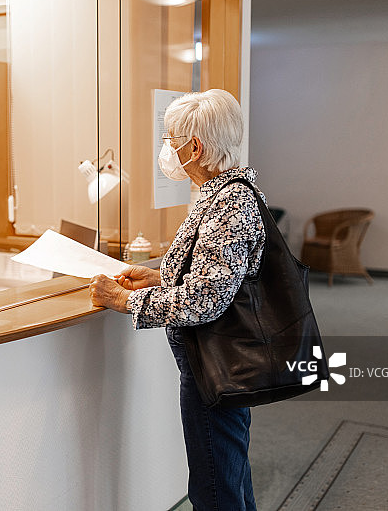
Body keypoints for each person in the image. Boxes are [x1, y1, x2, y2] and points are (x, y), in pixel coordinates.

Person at [89, 89, 262, 511]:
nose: (167, 150)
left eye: (170, 140)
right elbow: (213, 272)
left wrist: (123, 301)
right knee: (229, 477)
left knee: (215, 489)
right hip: (216, 366)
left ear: (196, 147)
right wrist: (158, 276)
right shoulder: (221, 195)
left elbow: (205, 300)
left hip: (215, 371)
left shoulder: (228, 204)